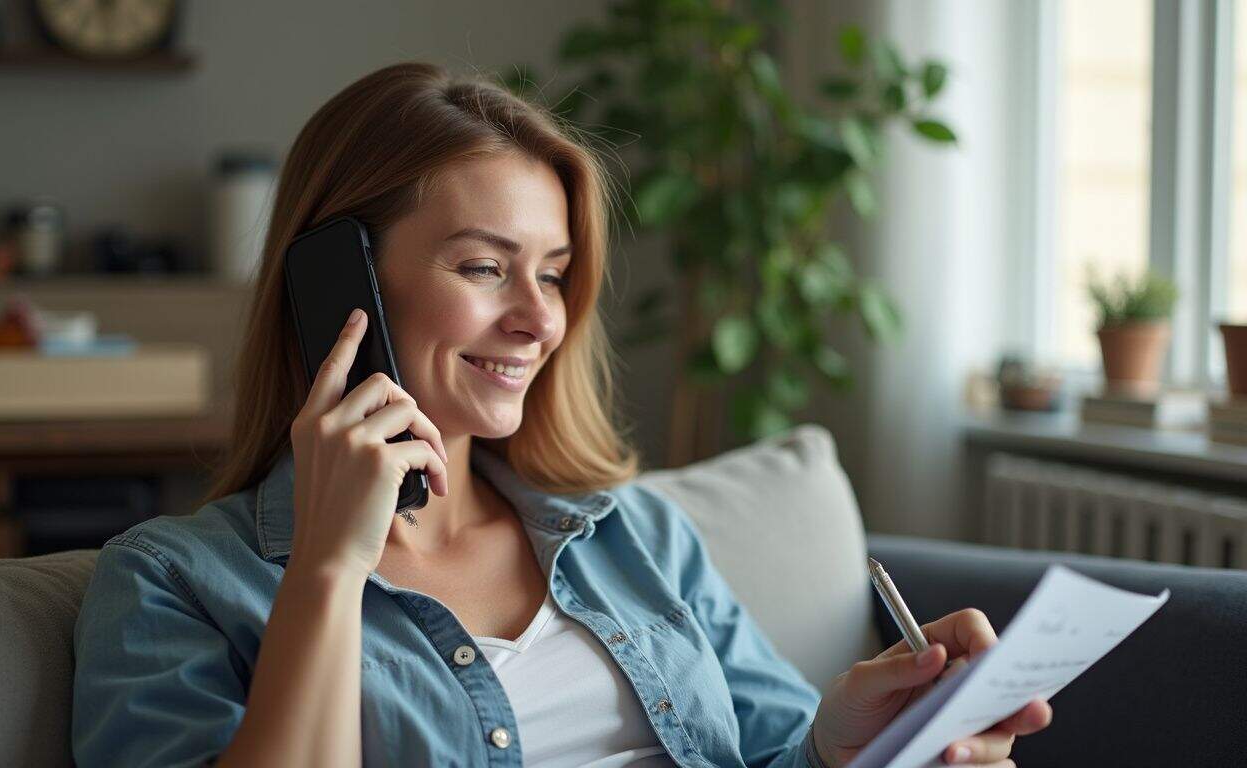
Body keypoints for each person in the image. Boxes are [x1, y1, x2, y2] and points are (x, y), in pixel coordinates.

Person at [71, 62, 1052, 767]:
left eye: (554, 273)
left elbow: (778, 750)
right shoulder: (173, 582)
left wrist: (852, 744)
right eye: (485, 267)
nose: (541, 319)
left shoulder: (637, 536)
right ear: (337, 283)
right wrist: (330, 564)